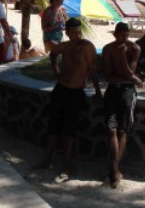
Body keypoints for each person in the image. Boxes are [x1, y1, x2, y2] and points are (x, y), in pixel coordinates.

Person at [33, 18, 102, 180]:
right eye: (73, 33)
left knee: (69, 129)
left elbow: (93, 71)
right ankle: (47, 159)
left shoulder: (87, 47)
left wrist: (98, 92)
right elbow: (53, 54)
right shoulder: (65, 46)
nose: (77, 36)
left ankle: (66, 165)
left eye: (79, 32)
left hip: (75, 92)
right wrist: (56, 70)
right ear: (67, 33)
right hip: (61, 89)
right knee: (53, 125)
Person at [101, 22, 143, 188]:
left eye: (126, 36)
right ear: (115, 34)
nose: (124, 39)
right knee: (111, 128)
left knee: (122, 130)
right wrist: (131, 78)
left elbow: (128, 73)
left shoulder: (134, 49)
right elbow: (109, 77)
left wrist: (121, 60)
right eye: (121, 36)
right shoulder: (108, 49)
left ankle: (114, 169)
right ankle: (115, 169)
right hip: (113, 91)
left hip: (127, 92)